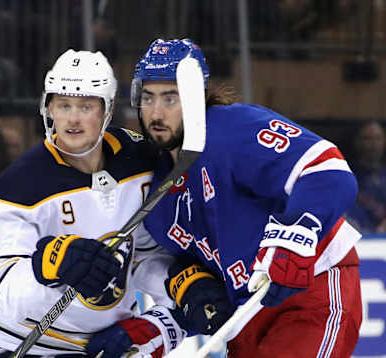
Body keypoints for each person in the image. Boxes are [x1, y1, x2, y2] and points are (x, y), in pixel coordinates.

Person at [0, 49, 186, 358]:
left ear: (106, 111)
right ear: (49, 109)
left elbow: (143, 256)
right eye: (63, 105)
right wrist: (50, 265)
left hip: (95, 347)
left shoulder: (139, 162)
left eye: (85, 106)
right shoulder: (21, 184)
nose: (72, 118)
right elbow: (0, 288)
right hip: (5, 342)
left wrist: (179, 284)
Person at [124, 38, 360, 358]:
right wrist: (164, 324)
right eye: (148, 98)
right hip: (246, 318)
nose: (156, 112)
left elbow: (328, 169)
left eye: (170, 98)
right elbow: (201, 289)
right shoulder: (159, 198)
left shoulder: (232, 129)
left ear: (196, 98)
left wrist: (298, 233)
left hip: (309, 294)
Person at [345, 120, 386, 233]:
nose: (373, 144)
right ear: (357, 142)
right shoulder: (345, 174)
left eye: (378, 138)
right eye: (367, 138)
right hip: (355, 236)